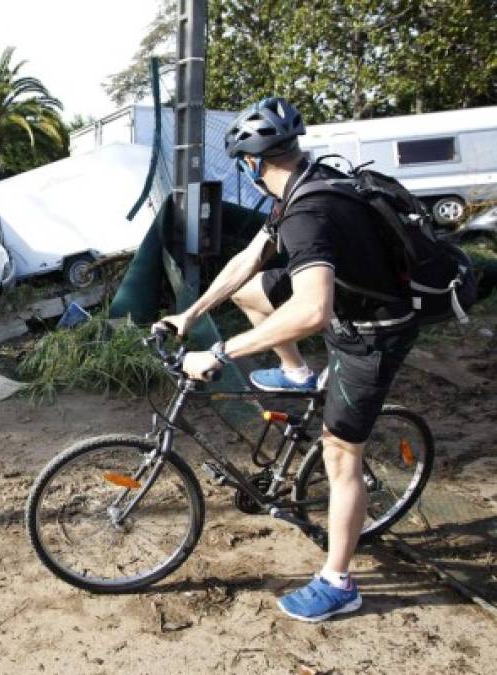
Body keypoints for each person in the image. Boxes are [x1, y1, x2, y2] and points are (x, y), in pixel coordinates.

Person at [155, 97, 419, 622]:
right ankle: (298, 374)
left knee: (341, 455)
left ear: (251, 163)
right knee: (251, 290)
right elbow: (249, 260)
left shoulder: (307, 214)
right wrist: (191, 315)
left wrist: (221, 351)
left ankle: (340, 582)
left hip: (374, 331)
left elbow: (312, 310)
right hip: (350, 304)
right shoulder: (302, 182)